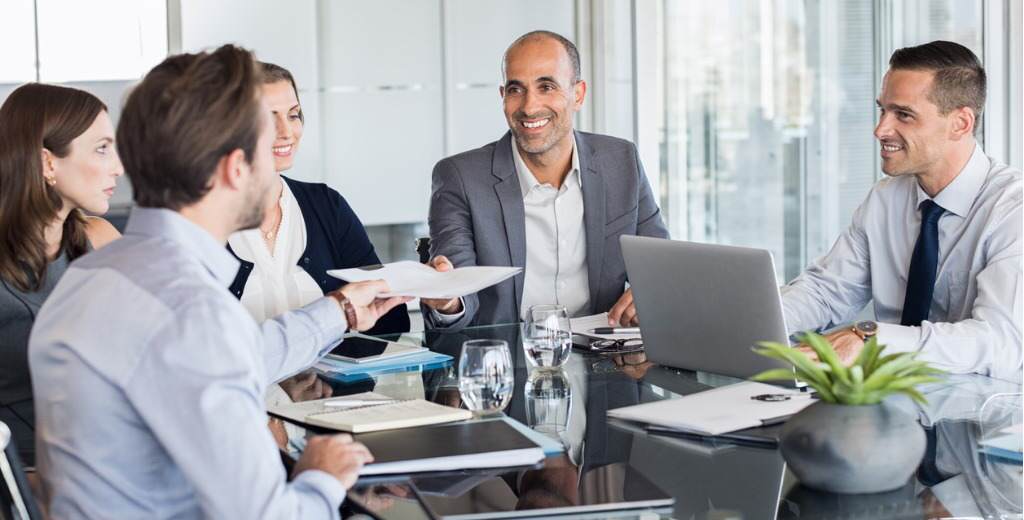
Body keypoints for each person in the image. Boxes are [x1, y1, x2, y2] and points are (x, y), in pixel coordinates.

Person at [29, 45, 409, 518]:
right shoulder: (192, 313)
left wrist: (341, 310)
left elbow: (235, 355)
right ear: (236, 168)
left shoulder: (89, 276)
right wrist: (319, 475)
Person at [781, 41, 1022, 381]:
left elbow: (999, 343)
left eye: (903, 115)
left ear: (960, 123)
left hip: (984, 417)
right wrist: (757, 321)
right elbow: (826, 292)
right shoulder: (885, 200)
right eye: (883, 111)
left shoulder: (1013, 210)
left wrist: (872, 340)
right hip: (889, 403)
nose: (880, 130)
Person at [421, 30, 669, 330]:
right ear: (503, 97)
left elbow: (660, 266)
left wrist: (647, 293)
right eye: (516, 89)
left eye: (546, 86)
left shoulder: (621, 161)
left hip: (607, 360)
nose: (529, 106)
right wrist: (449, 300)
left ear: (578, 94)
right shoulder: (460, 177)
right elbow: (459, 292)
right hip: (509, 363)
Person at [227, 62, 409, 334]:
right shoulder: (204, 221)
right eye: (267, 117)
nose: (286, 131)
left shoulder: (326, 205)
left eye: (293, 115)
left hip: (329, 378)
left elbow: (390, 321)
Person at [0, 83, 122, 466]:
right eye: (101, 149)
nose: (117, 167)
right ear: (48, 163)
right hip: (24, 481)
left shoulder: (102, 241)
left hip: (108, 463)